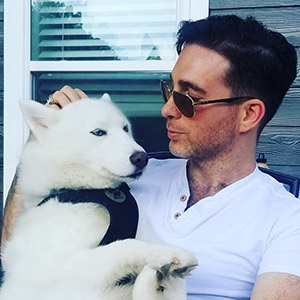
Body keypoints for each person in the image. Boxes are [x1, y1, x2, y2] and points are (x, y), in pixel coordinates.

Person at [2, 14, 300, 300]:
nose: (167, 109)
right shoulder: (123, 174)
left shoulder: (287, 219)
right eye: (169, 90)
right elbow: (19, 258)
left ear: (249, 115)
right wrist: (45, 139)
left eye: (188, 98)